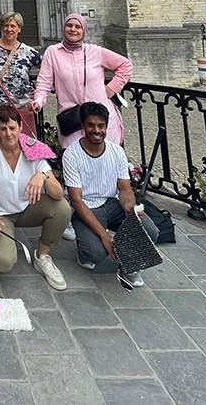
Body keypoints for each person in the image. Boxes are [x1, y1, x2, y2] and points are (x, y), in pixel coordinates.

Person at [0, 105, 70, 290]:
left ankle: (42, 255)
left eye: (12, 128)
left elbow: (58, 193)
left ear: (21, 126)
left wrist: (43, 176)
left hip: (26, 207)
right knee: (4, 263)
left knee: (62, 208)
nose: (8, 133)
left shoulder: (32, 148)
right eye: (3, 129)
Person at [62, 102, 159, 288]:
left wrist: (130, 207)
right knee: (96, 253)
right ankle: (84, 252)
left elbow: (124, 188)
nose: (96, 130)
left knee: (150, 230)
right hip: (87, 208)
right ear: (83, 126)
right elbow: (76, 200)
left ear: (107, 127)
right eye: (91, 125)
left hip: (112, 204)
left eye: (101, 126)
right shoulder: (71, 155)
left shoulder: (117, 151)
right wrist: (106, 238)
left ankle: (130, 263)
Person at [31, 13, 133, 149]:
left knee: (104, 159)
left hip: (98, 116)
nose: (73, 29)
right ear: (64, 28)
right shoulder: (53, 52)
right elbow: (44, 81)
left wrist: (110, 89)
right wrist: (38, 101)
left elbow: (125, 65)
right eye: (69, 25)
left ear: (84, 30)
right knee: (76, 160)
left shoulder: (95, 51)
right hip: (72, 118)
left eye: (78, 26)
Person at [0, 11, 42, 137]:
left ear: (19, 29)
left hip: (23, 107)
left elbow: (46, 71)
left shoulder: (27, 51)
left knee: (26, 146)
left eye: (13, 26)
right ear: (1, 27)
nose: (9, 29)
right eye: (6, 25)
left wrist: (38, 92)